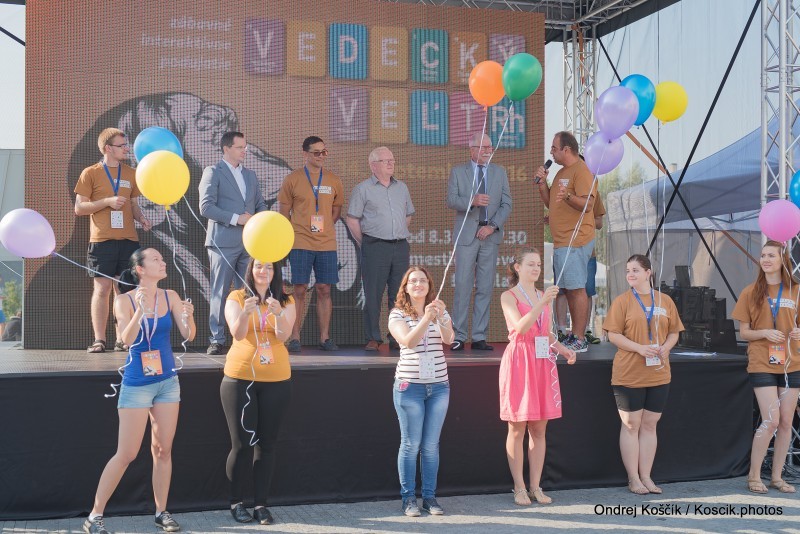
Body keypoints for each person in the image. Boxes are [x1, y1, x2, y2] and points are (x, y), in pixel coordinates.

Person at [83, 248, 196, 534]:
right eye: (156, 259)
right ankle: (94, 516)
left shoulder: (170, 295)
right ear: (140, 269)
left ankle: (161, 512)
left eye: (162, 259)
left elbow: (188, 335)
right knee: (127, 453)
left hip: (168, 382)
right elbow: (126, 339)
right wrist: (140, 313)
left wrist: (188, 316)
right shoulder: (123, 300)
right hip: (137, 384)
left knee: (163, 449)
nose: (163, 262)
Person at [221, 257, 296, 524]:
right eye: (258, 266)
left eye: (269, 267)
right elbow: (238, 334)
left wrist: (276, 314)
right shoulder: (237, 297)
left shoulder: (285, 301)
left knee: (267, 445)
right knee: (241, 445)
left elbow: (284, 336)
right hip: (240, 377)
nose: (263, 271)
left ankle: (261, 504)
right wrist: (244, 313)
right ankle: (235, 502)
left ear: (275, 273)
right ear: (250, 270)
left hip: (277, 379)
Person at [499, 248, 576, 506]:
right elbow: (520, 328)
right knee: (517, 426)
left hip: (541, 360)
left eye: (538, 265)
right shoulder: (508, 296)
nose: (536, 268)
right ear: (517, 267)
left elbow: (545, 333)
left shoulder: (543, 295)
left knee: (539, 428)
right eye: (530, 264)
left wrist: (562, 349)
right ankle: (518, 488)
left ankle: (535, 486)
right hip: (520, 361)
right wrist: (542, 304)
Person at [603, 254, 682, 495]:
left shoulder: (665, 300)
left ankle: (646, 476)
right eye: (628, 270)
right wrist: (639, 348)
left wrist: (666, 348)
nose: (630, 274)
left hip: (658, 373)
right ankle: (633, 478)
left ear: (649, 273)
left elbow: (674, 332)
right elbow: (613, 335)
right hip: (629, 373)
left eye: (636, 270)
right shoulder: (622, 301)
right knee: (631, 425)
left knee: (649, 425)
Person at [75, 128, 152, 353]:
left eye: (126, 145)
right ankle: (100, 340)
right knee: (102, 289)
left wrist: (142, 219)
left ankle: (123, 339)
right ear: (108, 148)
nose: (126, 148)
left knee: (125, 290)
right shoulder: (91, 172)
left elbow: (134, 205)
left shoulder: (131, 173)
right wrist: (107, 201)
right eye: (121, 145)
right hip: (102, 240)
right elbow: (80, 207)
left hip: (129, 240)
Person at [732, 240, 800, 495]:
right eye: (763, 255)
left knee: (785, 422)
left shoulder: (796, 290)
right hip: (762, 361)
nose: (766, 259)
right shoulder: (751, 291)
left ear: (783, 260)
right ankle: (753, 475)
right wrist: (764, 333)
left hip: (792, 363)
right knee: (770, 420)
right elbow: (745, 332)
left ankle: (776, 477)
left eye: (771, 255)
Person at [388, 266, 454, 517]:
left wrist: (442, 316)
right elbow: (408, 341)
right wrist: (426, 318)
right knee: (410, 444)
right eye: (413, 281)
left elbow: (449, 339)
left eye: (422, 281)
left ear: (429, 285)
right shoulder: (397, 314)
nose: (418, 284)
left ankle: (429, 497)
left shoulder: (438, 310)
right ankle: (408, 499)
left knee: (431, 446)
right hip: (409, 388)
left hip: (439, 387)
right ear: (405, 287)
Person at [199, 131, 268, 356]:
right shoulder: (213, 172)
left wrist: (262, 219)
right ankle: (217, 339)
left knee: (248, 291)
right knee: (220, 291)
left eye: (245, 147)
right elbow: (206, 207)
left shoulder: (250, 175)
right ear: (226, 148)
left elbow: (260, 204)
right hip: (222, 242)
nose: (244, 151)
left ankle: (247, 335)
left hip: (249, 243)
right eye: (240, 147)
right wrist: (237, 218)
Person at [446, 133, 512, 351]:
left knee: (485, 287)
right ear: (471, 149)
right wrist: (472, 201)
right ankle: (459, 335)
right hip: (466, 235)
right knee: (463, 286)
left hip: (489, 235)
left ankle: (479, 336)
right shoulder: (458, 171)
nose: (487, 150)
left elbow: (506, 204)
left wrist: (491, 226)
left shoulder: (500, 172)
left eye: (490, 146)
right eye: (483, 147)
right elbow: (451, 200)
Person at [278, 136, 345, 353]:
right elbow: (284, 212)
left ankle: (325, 338)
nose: (321, 156)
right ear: (305, 154)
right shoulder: (292, 179)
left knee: (324, 289)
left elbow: (336, 210)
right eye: (316, 152)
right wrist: (298, 231)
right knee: (299, 289)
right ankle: (294, 337)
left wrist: (323, 227)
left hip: (326, 243)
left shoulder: (334, 180)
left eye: (324, 152)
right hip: (300, 241)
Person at [346, 147, 415, 351]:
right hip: (374, 246)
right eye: (386, 161)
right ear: (373, 165)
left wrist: (395, 231)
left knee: (400, 294)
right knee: (373, 294)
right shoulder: (363, 189)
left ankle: (397, 336)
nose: (391, 163)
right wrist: (366, 242)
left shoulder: (401, 187)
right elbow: (352, 220)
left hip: (400, 246)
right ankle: (373, 337)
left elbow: (408, 215)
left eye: (392, 160)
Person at [535, 131, 597, 353]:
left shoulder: (582, 170)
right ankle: (573, 334)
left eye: (554, 148)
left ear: (566, 150)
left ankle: (580, 337)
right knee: (569, 289)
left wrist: (569, 197)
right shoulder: (562, 171)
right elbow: (552, 202)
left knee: (577, 288)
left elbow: (589, 204)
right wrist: (543, 184)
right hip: (562, 241)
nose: (551, 152)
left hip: (576, 239)